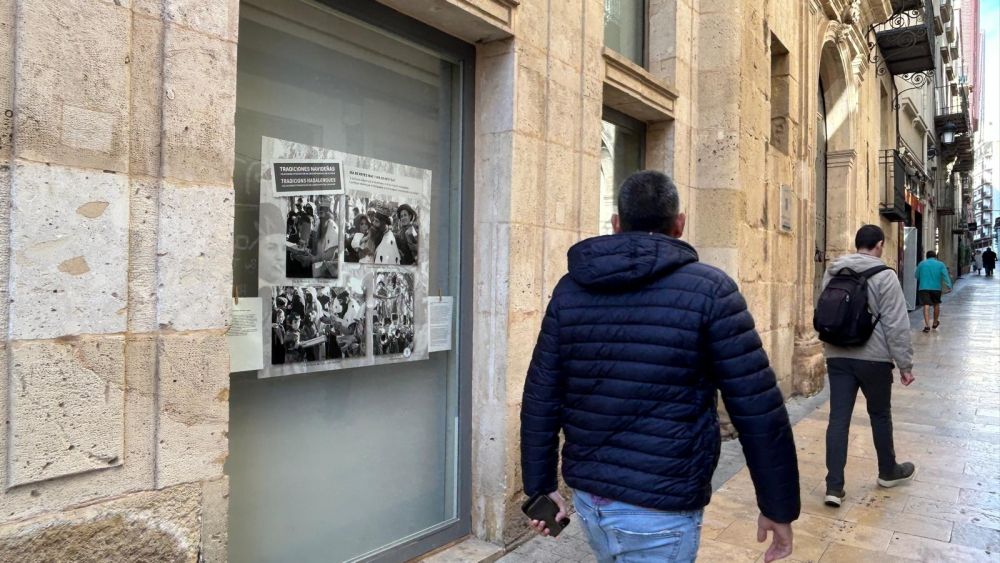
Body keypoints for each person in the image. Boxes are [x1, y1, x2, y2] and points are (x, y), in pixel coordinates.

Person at [520, 171, 799, 563]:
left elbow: (541, 395)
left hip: (592, 500)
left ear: (616, 224)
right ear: (679, 224)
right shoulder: (712, 291)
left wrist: (540, 485)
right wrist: (778, 506)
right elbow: (757, 408)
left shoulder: (570, 290)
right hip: (664, 505)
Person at [820, 225, 916, 509]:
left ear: (857, 242)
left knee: (838, 419)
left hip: (837, 355)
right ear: (879, 245)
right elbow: (896, 324)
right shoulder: (886, 276)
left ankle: (834, 487)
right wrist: (905, 364)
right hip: (874, 359)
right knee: (880, 415)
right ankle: (888, 471)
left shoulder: (834, 270)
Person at [914, 250, 953, 333]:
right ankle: (935, 322)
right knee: (936, 304)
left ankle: (927, 325)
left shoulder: (921, 264)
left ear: (926, 256)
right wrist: (949, 286)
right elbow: (945, 276)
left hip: (924, 287)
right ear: (935, 257)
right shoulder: (940, 264)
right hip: (936, 288)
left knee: (926, 305)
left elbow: (916, 275)